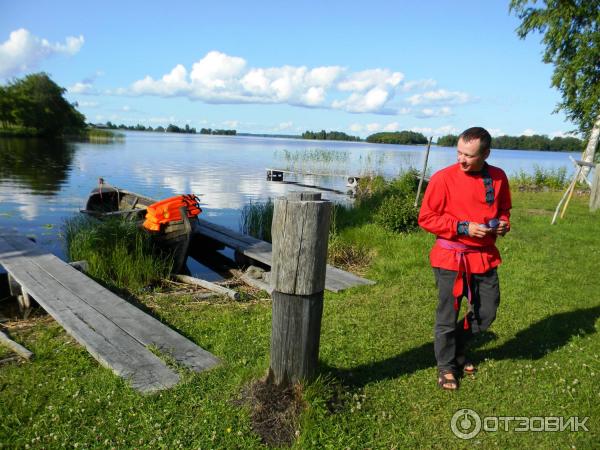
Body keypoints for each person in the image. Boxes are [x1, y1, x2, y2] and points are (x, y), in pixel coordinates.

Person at [418, 127, 511, 390]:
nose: (461, 159)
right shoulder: (442, 178)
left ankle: (457, 347)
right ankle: (446, 366)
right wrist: (463, 227)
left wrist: (503, 223)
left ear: (485, 154)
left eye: (468, 155)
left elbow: (503, 209)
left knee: (487, 312)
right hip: (451, 257)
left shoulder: (499, 177)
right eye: (459, 152)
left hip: (483, 256)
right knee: (448, 314)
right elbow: (426, 218)